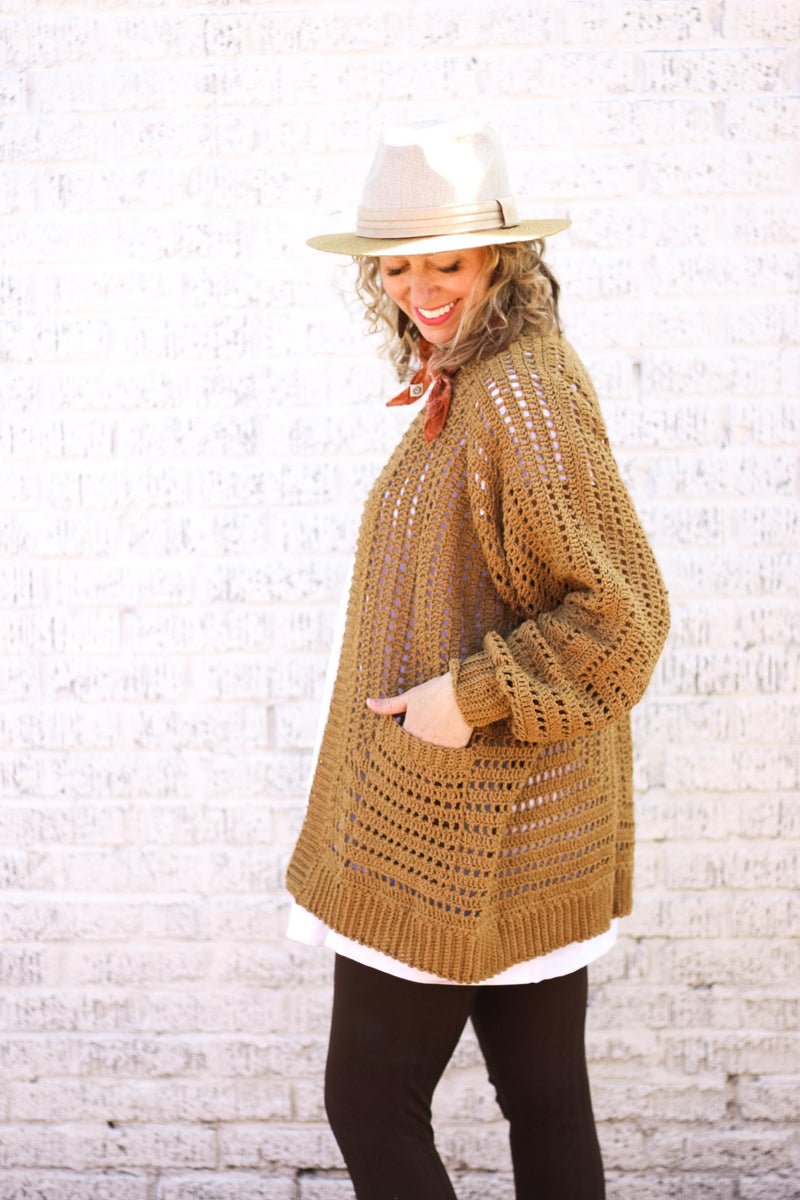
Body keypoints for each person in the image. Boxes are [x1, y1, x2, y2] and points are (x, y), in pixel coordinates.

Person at [286, 119, 670, 1200]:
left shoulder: (517, 396)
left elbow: (623, 614)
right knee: (544, 1099)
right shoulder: (483, 376)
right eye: (396, 266)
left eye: (444, 264)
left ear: (500, 259)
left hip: (458, 828)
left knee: (370, 1101)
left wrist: (469, 695)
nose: (418, 289)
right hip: (522, 817)